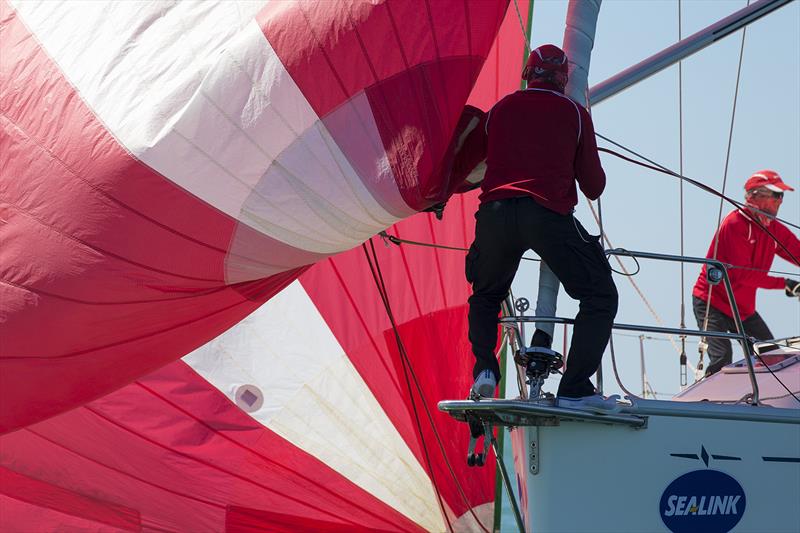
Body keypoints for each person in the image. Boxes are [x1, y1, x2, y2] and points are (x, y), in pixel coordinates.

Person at [465, 44, 618, 408]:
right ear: (564, 80)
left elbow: (468, 164)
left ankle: (485, 370)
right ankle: (576, 386)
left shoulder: (500, 109)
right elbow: (593, 186)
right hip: (545, 215)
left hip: (495, 214)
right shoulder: (574, 113)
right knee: (600, 296)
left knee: (486, 295)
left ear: (527, 75)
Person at [693, 170, 800, 376]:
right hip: (712, 302)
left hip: (742, 308)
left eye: (782, 196)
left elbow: (796, 251)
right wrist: (786, 283)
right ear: (755, 196)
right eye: (776, 195)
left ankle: (764, 402)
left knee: (771, 356)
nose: (780, 201)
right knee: (722, 357)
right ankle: (709, 402)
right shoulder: (735, 224)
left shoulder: (772, 229)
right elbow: (741, 275)